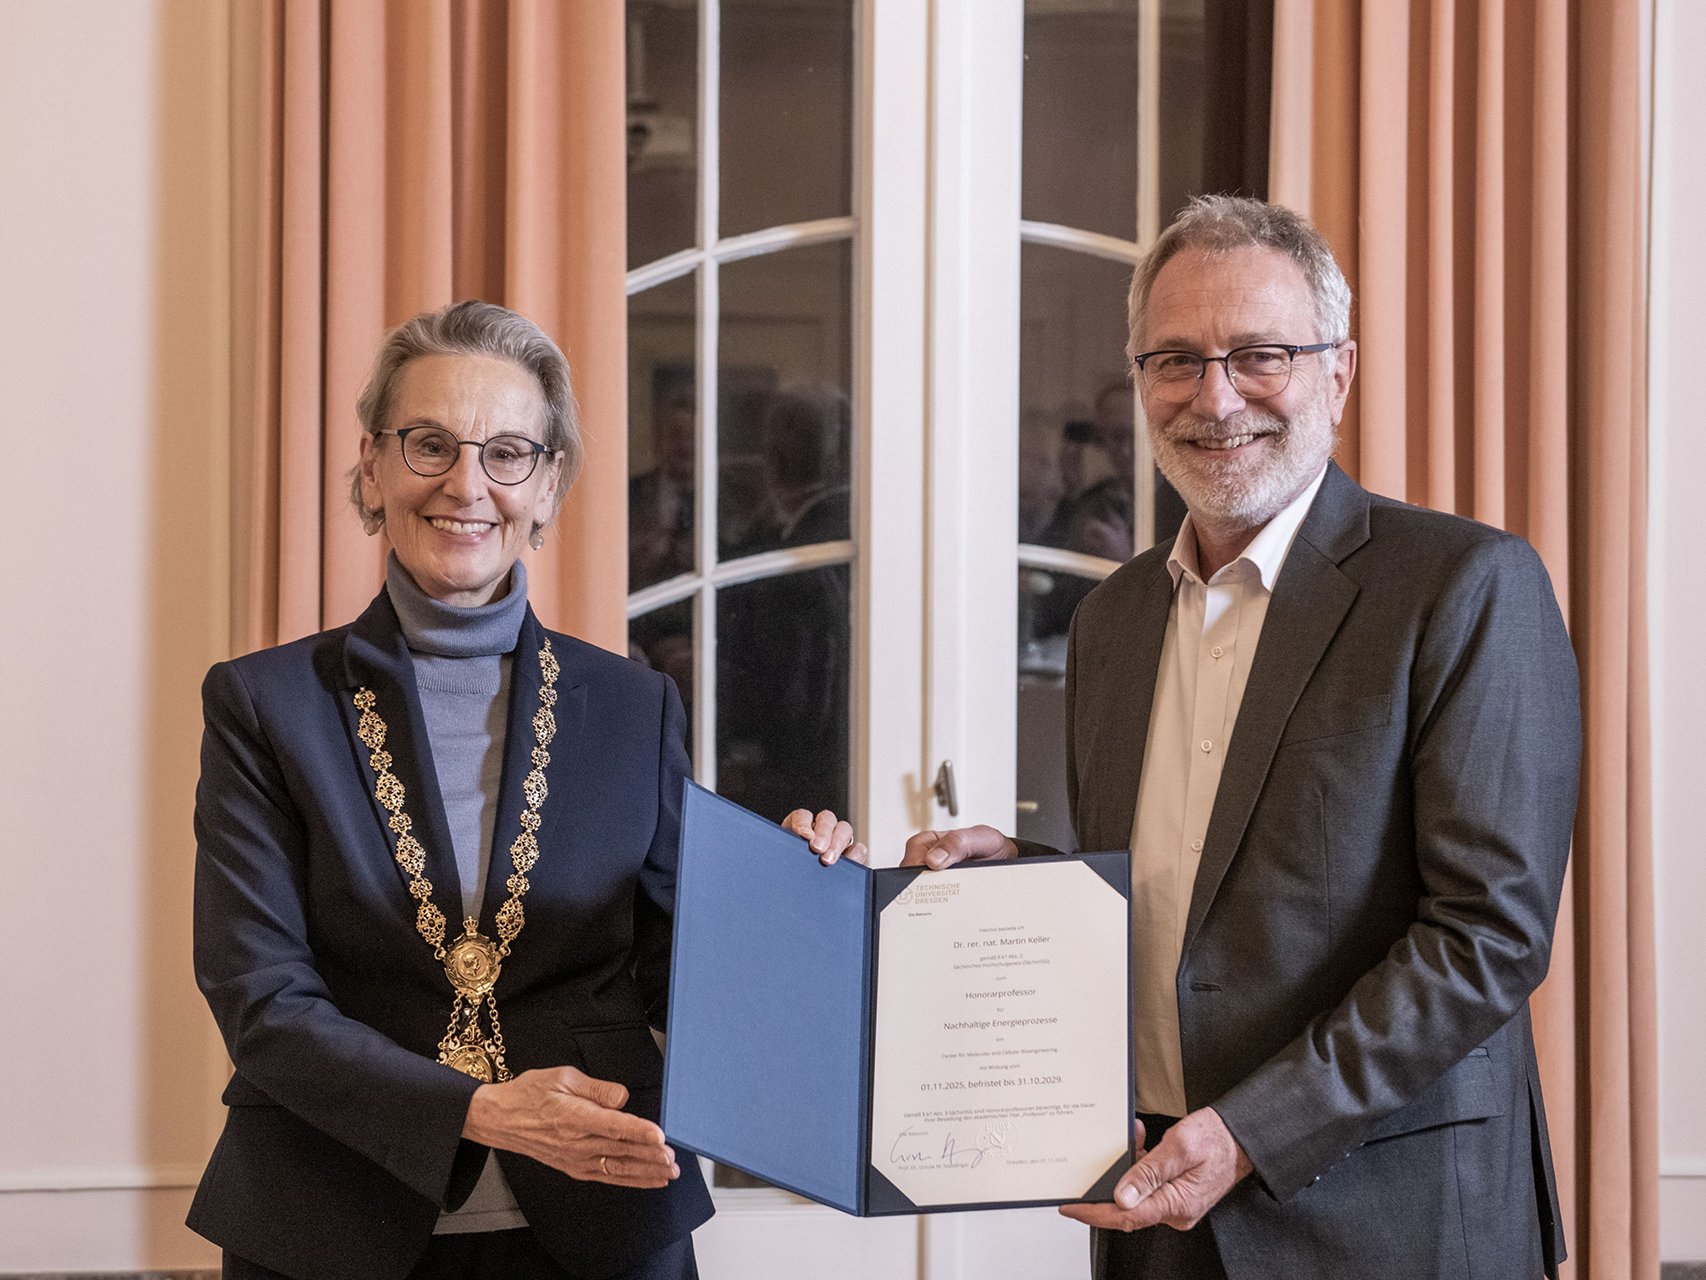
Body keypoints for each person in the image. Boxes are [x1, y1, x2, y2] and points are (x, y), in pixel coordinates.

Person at [790, 195, 1579, 1279]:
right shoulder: (1110, 618)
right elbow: (1181, 897)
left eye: (1258, 354)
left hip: (1387, 1221)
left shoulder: (1461, 584)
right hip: (1159, 1216)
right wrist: (1018, 881)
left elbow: (1485, 935)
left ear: (1336, 372)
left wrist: (1249, 1129)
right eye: (1173, 360)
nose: (1213, 397)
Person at [190, 301, 713, 1280]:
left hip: (600, 1220)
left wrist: (806, 891)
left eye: (508, 451)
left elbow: (686, 969)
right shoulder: (262, 704)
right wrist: (480, 1110)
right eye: (429, 443)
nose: (466, 484)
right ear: (372, 464)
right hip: (325, 1219)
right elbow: (258, 997)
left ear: (548, 482)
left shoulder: (635, 705)